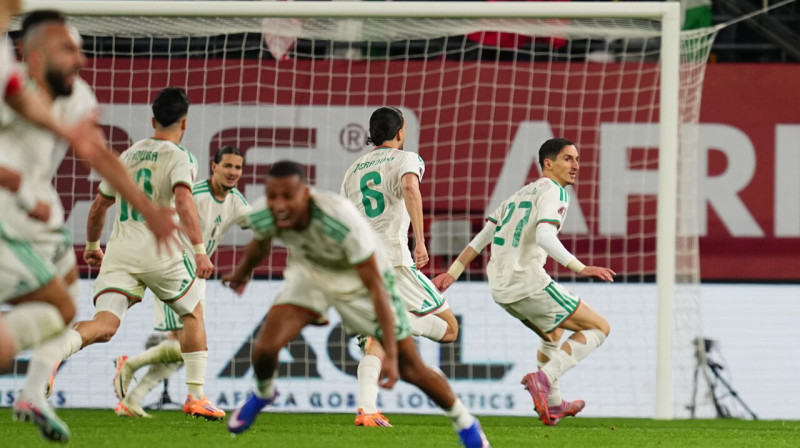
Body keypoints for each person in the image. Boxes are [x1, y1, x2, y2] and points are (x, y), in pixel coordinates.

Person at [221, 161, 490, 448]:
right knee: (264, 348)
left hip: (361, 282)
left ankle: (465, 422)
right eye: (273, 196)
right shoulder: (265, 211)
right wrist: (241, 272)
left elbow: (376, 286)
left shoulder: (339, 221)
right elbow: (261, 242)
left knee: (412, 369)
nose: (280, 204)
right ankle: (264, 393)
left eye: (288, 196)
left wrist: (390, 348)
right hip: (310, 276)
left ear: (306, 194)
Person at [0, 10, 178, 442]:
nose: (79, 59)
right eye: (67, 49)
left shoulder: (77, 94)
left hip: (40, 216)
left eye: (80, 49)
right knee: (53, 310)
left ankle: (31, 394)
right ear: (34, 55)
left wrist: (147, 209)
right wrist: (22, 191)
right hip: (10, 213)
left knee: (65, 305)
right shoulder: (6, 78)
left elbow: (98, 155)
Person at [48, 86, 226, 421]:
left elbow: (99, 206)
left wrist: (91, 247)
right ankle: (197, 396)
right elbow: (185, 201)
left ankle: (53, 352)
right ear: (184, 123)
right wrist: (200, 251)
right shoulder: (181, 157)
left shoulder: (128, 155)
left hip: (120, 252)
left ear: (152, 119)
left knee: (104, 326)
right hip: (161, 253)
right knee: (193, 314)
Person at [433, 137, 614, 426]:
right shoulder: (555, 192)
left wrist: (452, 273)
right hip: (528, 282)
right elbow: (544, 235)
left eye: (577, 159)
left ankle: (553, 404)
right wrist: (580, 267)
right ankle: (543, 378)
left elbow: (481, 239)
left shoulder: (518, 195)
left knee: (552, 335)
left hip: (501, 289)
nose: (576, 165)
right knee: (599, 327)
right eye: (568, 159)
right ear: (548, 163)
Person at [112, 145, 251, 418]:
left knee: (184, 350)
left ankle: (132, 397)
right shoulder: (192, 195)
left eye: (238, 167)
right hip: (173, 270)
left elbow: (258, 222)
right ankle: (136, 369)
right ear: (214, 167)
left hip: (198, 274)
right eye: (228, 166)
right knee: (189, 346)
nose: (233, 172)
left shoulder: (235, 200)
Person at [340, 106, 458, 427]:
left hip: (360, 264)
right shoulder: (407, 159)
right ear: (401, 132)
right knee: (449, 329)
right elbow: (409, 188)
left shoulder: (352, 170)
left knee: (375, 344)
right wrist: (420, 241)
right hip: (394, 261)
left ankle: (367, 410)